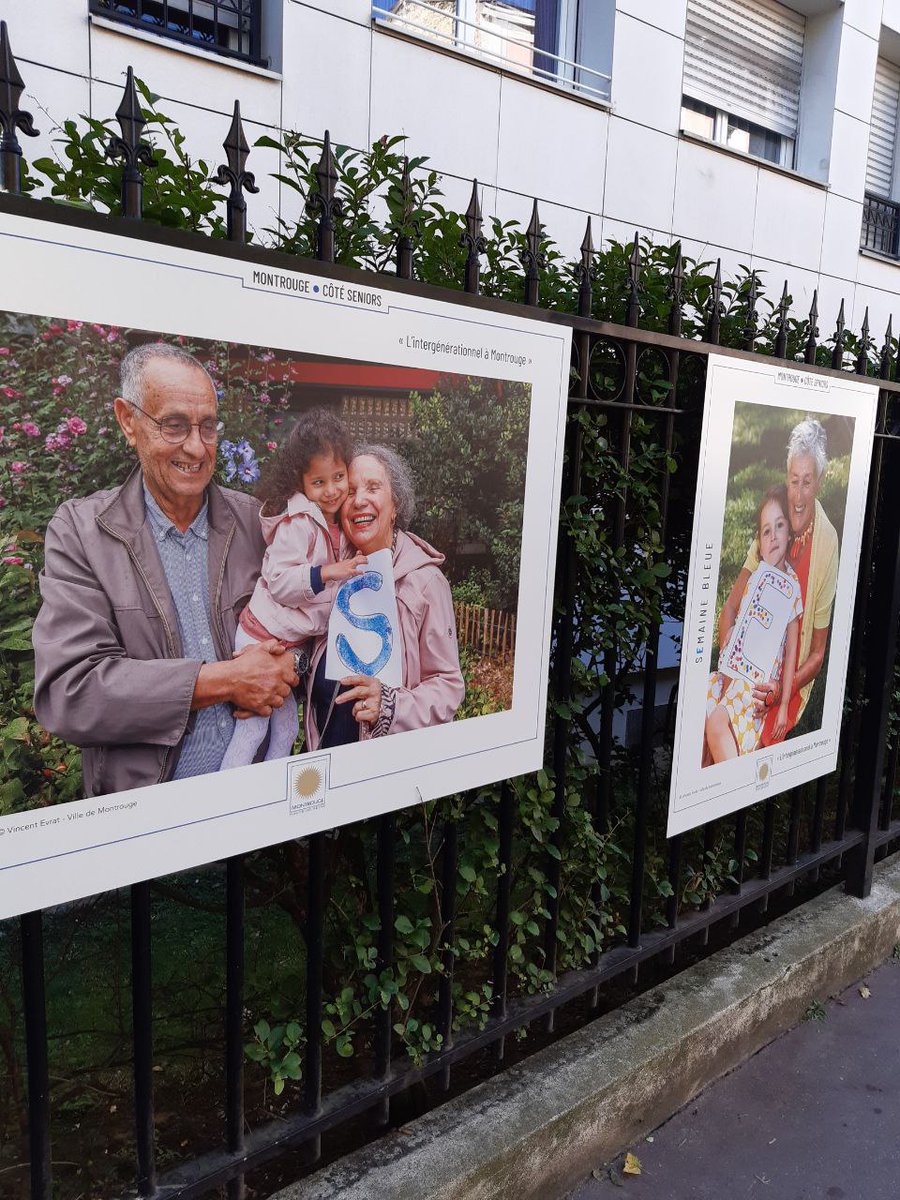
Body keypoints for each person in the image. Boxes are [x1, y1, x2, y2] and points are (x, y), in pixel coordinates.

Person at [32, 342, 298, 797]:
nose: (196, 447)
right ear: (128, 421)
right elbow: (69, 692)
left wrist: (294, 662)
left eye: (208, 427)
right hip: (145, 825)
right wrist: (222, 681)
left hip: (254, 812)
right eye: (174, 425)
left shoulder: (257, 523)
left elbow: (310, 625)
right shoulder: (82, 532)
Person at [220, 409, 367, 770]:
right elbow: (282, 582)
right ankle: (224, 796)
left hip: (286, 645)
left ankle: (272, 795)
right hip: (261, 639)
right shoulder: (298, 523)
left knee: (285, 730)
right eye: (319, 482)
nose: (331, 490)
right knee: (253, 730)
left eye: (338, 477)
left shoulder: (334, 525)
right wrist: (329, 572)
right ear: (300, 482)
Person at [300, 445, 465, 750]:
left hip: (386, 775)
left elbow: (448, 687)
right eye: (349, 491)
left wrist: (390, 707)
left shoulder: (425, 582)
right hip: (323, 763)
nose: (359, 500)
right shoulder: (330, 571)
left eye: (373, 488)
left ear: (395, 505)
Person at [716, 417, 838, 746]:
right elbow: (729, 606)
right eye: (793, 480)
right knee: (706, 724)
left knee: (725, 736)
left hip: (781, 681)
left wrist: (780, 694)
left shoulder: (826, 543)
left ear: (821, 482)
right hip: (743, 669)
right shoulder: (775, 519)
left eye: (807, 482)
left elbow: (816, 653)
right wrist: (730, 646)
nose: (797, 495)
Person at [705, 486, 803, 762]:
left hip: (758, 686)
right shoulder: (754, 578)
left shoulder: (791, 588)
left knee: (716, 723)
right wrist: (729, 640)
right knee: (703, 697)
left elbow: (792, 651)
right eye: (766, 531)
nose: (773, 537)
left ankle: (729, 786)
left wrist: (782, 705)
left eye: (779, 526)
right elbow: (735, 617)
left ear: (790, 534)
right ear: (758, 544)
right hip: (734, 672)